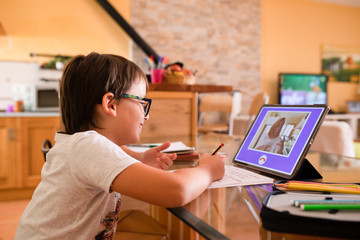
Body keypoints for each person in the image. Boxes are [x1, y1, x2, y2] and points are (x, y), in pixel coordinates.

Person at [15, 52, 225, 240]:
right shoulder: (88, 146)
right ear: (111, 104)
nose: (147, 114)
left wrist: (139, 159)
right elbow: (176, 191)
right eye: (142, 102)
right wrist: (208, 170)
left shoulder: (78, 143)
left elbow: (109, 152)